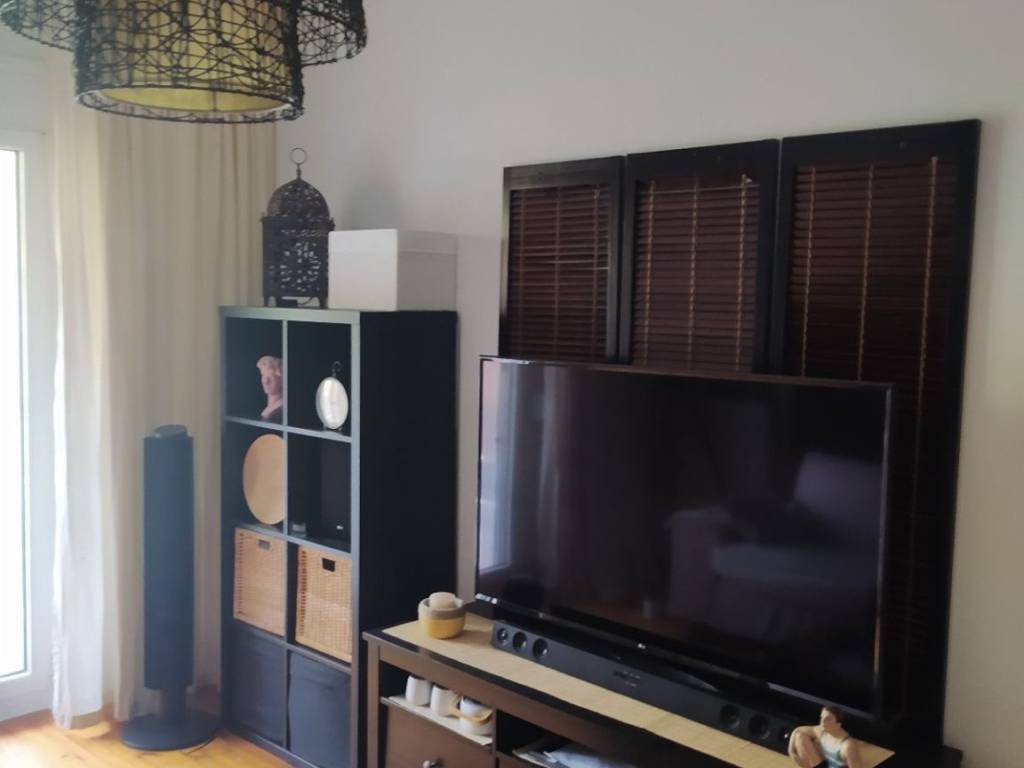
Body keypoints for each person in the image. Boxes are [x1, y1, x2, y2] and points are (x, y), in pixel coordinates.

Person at [788, 706, 863, 768]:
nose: (823, 722)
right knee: (800, 737)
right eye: (822, 718)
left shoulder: (847, 746)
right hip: (822, 764)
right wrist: (791, 751)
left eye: (828, 719)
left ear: (838, 724)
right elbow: (798, 730)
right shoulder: (822, 731)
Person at [257, 355, 284, 422]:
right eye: (263, 375)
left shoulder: (281, 407)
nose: (265, 381)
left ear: (281, 379)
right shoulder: (270, 407)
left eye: (271, 377)